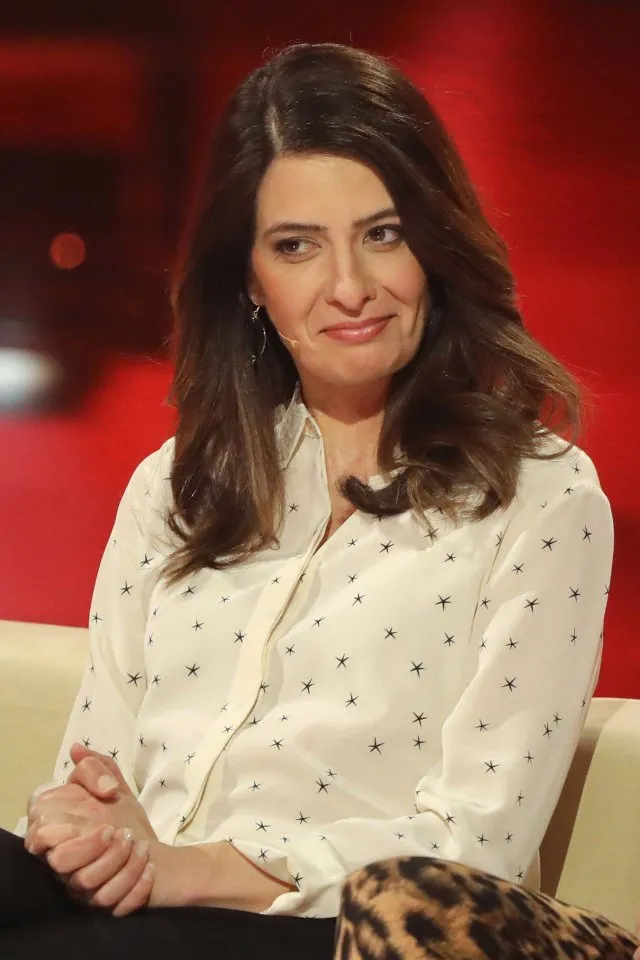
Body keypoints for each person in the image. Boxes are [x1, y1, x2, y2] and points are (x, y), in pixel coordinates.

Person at [2, 40, 617, 957]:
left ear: (436, 244)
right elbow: (96, 767)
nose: (350, 288)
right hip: (136, 906)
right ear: (250, 280)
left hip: (325, 932)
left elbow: (474, 845)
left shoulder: (539, 499)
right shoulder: (176, 485)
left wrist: (192, 869)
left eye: (384, 234)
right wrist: (80, 825)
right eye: (297, 247)